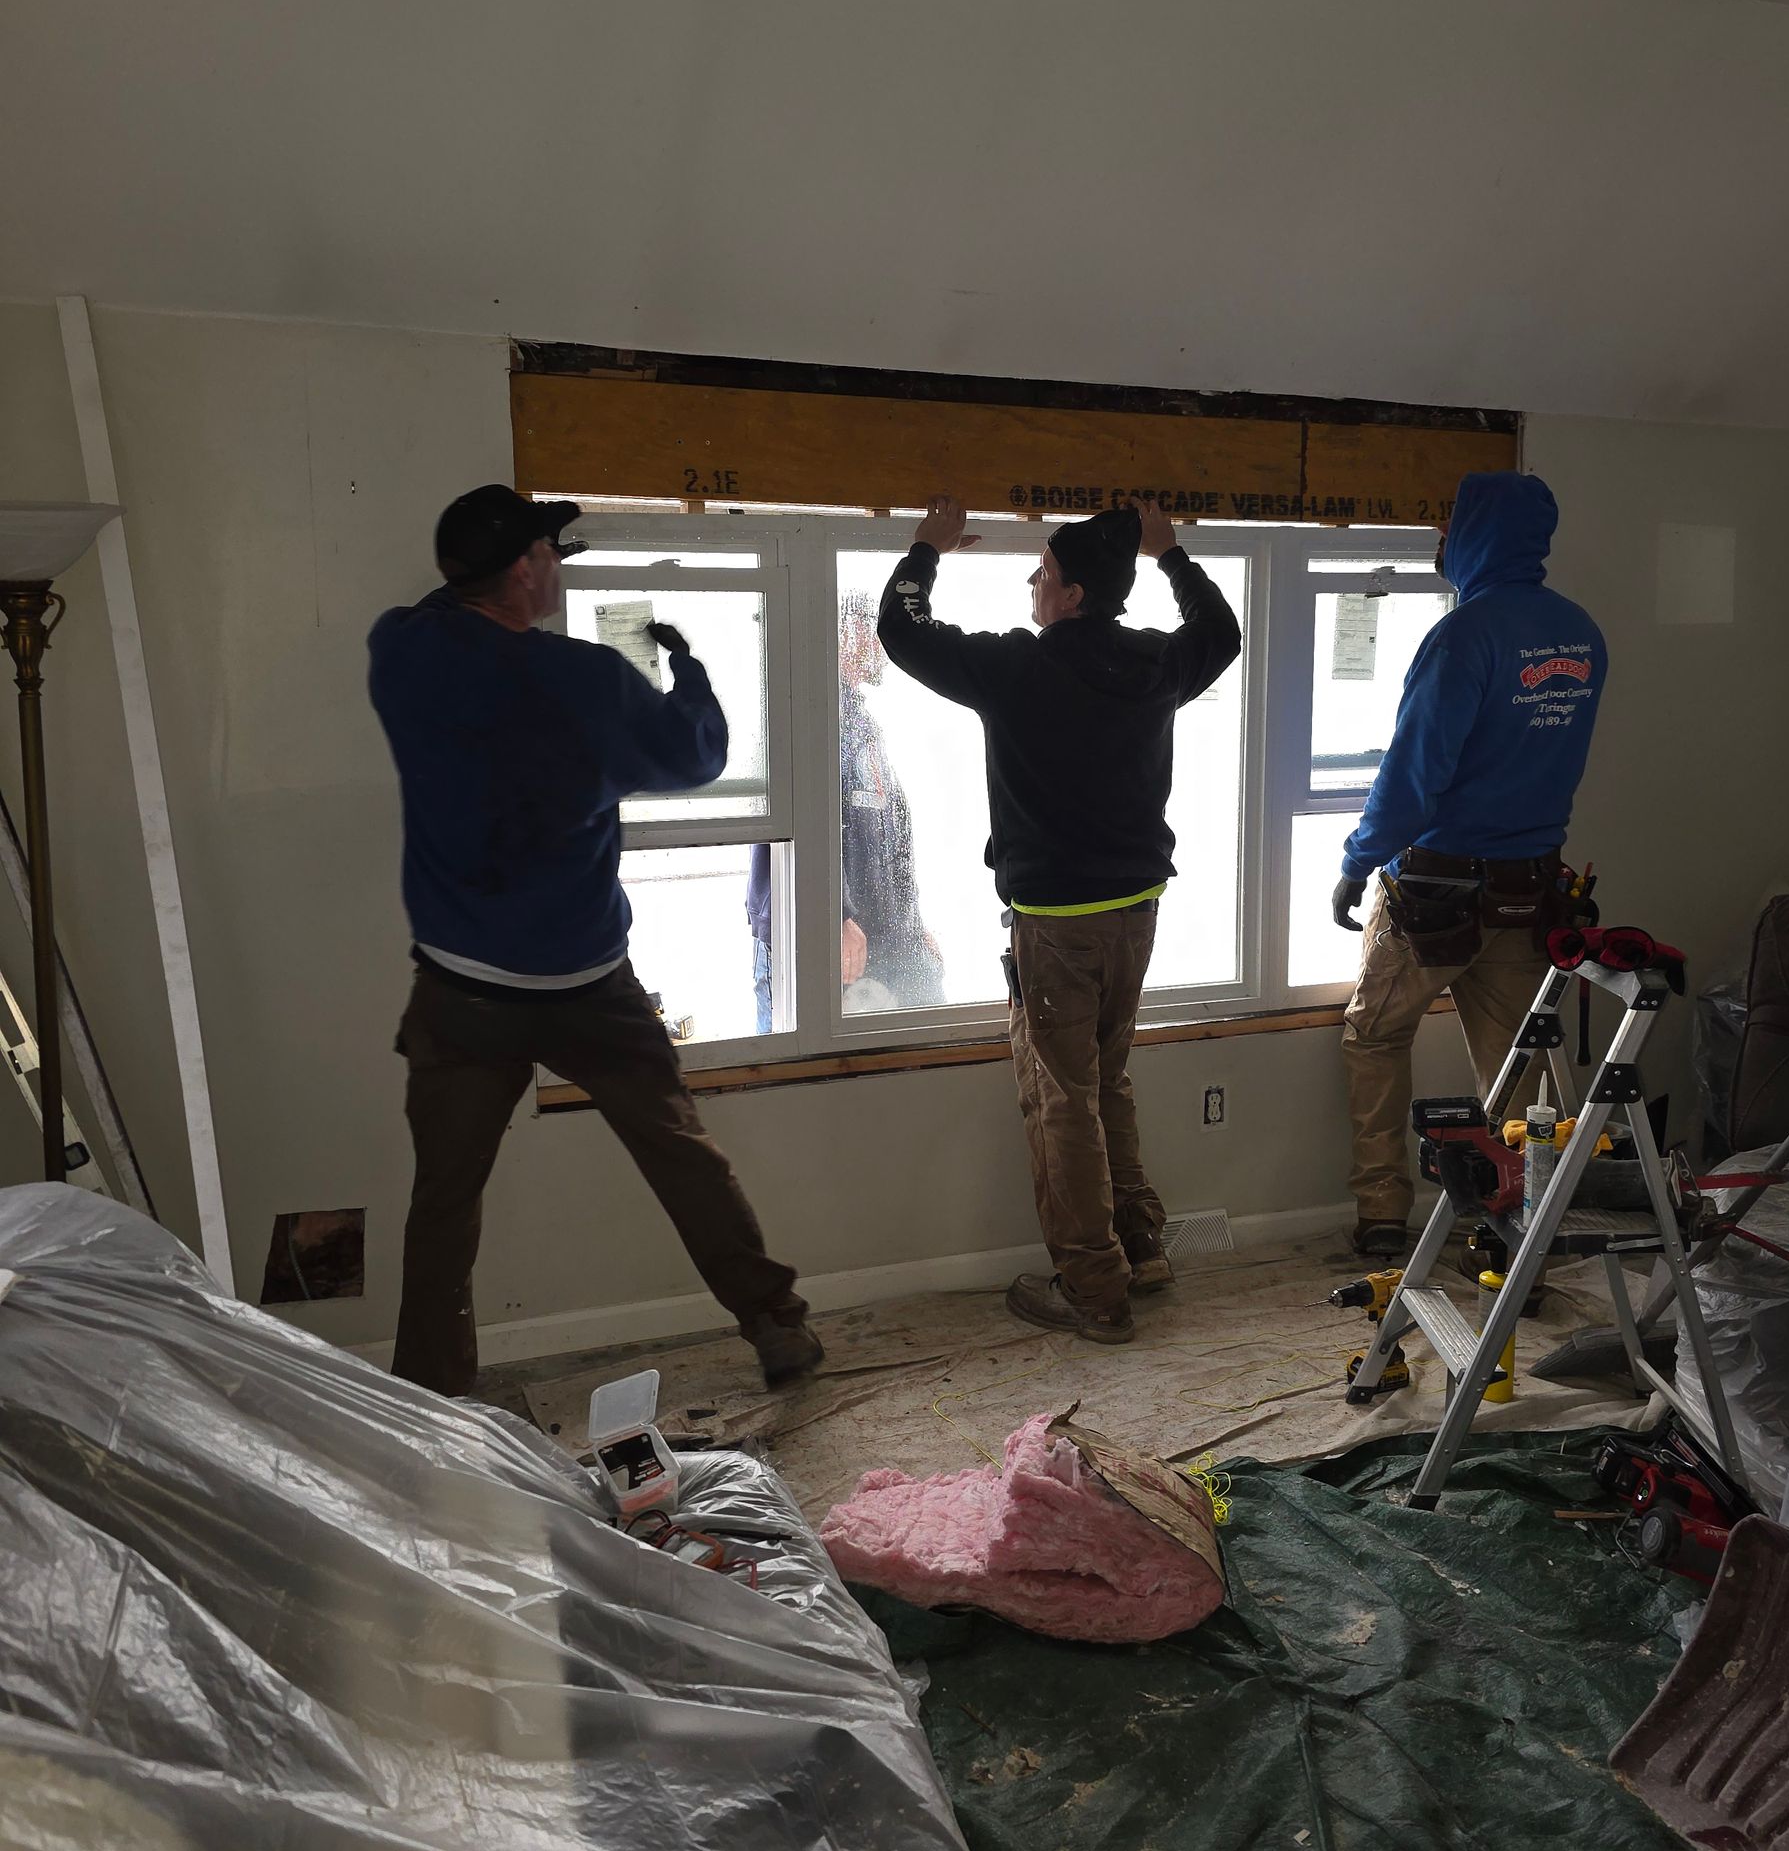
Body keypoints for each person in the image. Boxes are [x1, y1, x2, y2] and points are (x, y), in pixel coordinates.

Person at [368, 484, 821, 1397]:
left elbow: (438, 613)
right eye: (550, 554)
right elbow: (696, 754)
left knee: (444, 1201)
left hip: (461, 995)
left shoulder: (401, 650)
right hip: (587, 989)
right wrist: (684, 670)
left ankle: (436, 1389)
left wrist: (490, 571)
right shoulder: (586, 681)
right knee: (683, 1157)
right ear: (529, 570)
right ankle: (776, 1326)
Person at [877, 495, 1242, 1343]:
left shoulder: (1018, 667)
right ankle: (1141, 1246)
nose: (1032, 585)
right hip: (1134, 917)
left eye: (1041, 573)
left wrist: (926, 550)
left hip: (1056, 927)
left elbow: (903, 633)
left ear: (1072, 594)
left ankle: (1093, 1288)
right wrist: (1174, 555)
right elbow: (1221, 633)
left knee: (1062, 1101)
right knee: (1104, 1080)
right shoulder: (1154, 664)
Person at [1333, 469, 1607, 1261]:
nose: (1439, 541)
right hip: (1531, 891)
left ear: (1477, 535)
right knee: (1512, 1070)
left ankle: (1384, 1213)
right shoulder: (1580, 633)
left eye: (1449, 526)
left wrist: (1358, 861)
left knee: (1375, 1036)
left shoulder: (1464, 635)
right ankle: (1510, 1224)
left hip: (1437, 893)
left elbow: (1414, 777)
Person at [745, 595, 945, 1031]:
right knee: (799, 1073)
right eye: (876, 631)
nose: (885, 647)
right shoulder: (807, 710)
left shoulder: (856, 719)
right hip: (819, 934)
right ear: (847, 633)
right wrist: (834, 917)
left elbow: (884, 840)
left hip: (867, 932)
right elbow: (807, 824)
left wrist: (911, 927)